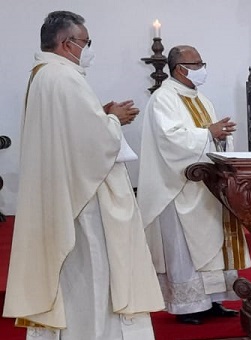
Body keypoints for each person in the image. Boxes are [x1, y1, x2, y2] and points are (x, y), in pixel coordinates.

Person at [3, 11, 164, 339]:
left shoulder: (44, 74)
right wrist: (114, 119)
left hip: (63, 194)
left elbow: (71, 132)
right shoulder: (64, 78)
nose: (88, 49)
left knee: (74, 272)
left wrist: (101, 114)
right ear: (66, 43)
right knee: (92, 271)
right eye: (85, 42)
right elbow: (94, 143)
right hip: (83, 204)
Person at [138, 45, 250, 325]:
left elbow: (210, 134)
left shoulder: (201, 99)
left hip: (207, 188)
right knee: (186, 247)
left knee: (213, 245)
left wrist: (221, 137)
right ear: (180, 68)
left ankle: (213, 301)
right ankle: (188, 306)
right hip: (180, 188)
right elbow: (170, 139)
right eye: (197, 63)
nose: (203, 68)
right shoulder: (163, 98)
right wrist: (207, 134)